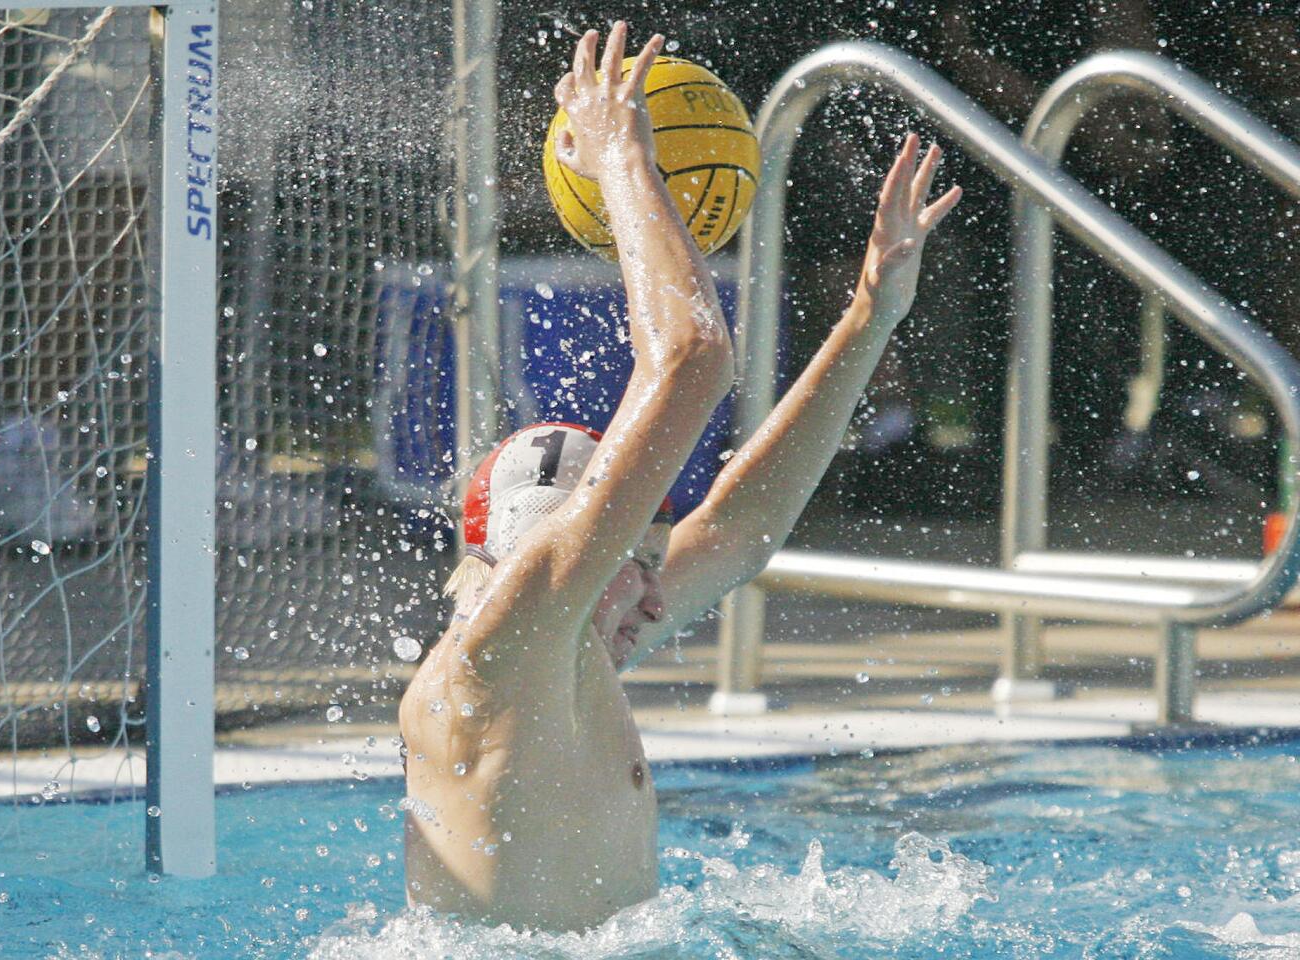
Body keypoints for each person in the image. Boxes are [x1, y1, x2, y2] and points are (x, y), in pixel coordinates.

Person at [398, 21, 961, 933]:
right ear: (554, 552)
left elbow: (737, 539)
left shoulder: (562, 651)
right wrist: (623, 156)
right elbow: (693, 355)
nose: (660, 602)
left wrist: (869, 315)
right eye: (638, 556)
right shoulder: (492, 664)